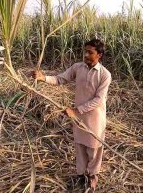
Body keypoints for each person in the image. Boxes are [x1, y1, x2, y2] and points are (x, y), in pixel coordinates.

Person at [34, 39, 112, 192]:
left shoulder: (104, 75)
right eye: (85, 51)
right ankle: (81, 175)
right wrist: (43, 78)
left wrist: (76, 110)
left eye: (90, 52)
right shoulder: (78, 68)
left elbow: (98, 100)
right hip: (78, 117)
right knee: (80, 147)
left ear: (99, 55)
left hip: (95, 119)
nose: (86, 55)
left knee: (94, 149)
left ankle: (92, 176)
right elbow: (60, 79)